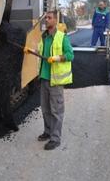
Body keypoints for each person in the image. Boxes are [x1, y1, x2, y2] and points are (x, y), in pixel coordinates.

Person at [24, 10, 74, 150]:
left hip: (55, 81)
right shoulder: (44, 37)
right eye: (45, 18)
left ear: (55, 21)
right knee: (45, 109)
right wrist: (31, 50)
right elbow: (42, 52)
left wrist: (58, 58)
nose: (46, 20)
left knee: (56, 110)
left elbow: (70, 55)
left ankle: (55, 138)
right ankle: (47, 132)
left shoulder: (61, 37)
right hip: (44, 78)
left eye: (49, 18)